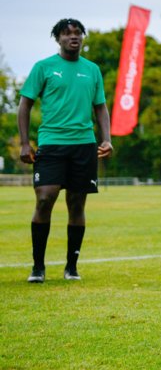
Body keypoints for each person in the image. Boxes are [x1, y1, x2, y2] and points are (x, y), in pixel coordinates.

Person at [18, 18, 113, 283]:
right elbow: (24, 105)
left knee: (76, 202)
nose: (74, 37)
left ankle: (71, 266)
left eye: (78, 33)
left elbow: (100, 108)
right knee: (45, 198)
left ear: (83, 38)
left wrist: (107, 139)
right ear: (57, 39)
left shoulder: (92, 70)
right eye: (67, 33)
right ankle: (38, 267)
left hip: (84, 144)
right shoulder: (44, 67)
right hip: (51, 143)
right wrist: (25, 143)